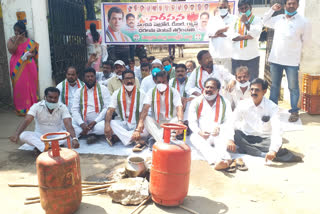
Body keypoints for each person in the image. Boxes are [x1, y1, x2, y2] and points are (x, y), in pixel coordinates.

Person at [263, 1, 311, 122]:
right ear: (285, 6)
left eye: (294, 4)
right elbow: (264, 21)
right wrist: (272, 9)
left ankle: (294, 111)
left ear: (297, 6)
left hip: (292, 62)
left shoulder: (304, 21)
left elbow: (306, 42)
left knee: (293, 87)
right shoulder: (278, 19)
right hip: (276, 59)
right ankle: (272, 110)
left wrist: (296, 53)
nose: (291, 6)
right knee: (274, 87)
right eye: (289, 3)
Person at [233, 78, 302, 162]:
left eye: (257, 90)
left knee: (277, 145)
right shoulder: (243, 104)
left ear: (264, 91)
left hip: (264, 139)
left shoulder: (272, 107)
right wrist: (229, 139)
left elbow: (277, 130)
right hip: (246, 136)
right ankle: (261, 154)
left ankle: (248, 150)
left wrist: (273, 150)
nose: (253, 92)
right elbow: (232, 121)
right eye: (252, 89)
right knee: (235, 134)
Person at [9, 87, 79, 155]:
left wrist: (75, 138)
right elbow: (27, 120)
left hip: (56, 135)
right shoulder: (36, 106)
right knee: (23, 135)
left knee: (66, 134)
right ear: (45, 97)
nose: (53, 100)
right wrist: (16, 134)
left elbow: (68, 124)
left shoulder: (62, 107)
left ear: (58, 98)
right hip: (40, 137)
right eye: (50, 97)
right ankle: (49, 147)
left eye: (55, 98)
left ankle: (42, 147)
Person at [189, 78, 235, 171]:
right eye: (207, 87)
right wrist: (200, 132)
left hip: (218, 133)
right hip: (202, 134)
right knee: (194, 137)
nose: (209, 90)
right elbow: (192, 122)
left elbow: (229, 121)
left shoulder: (225, 102)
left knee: (221, 143)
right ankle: (220, 160)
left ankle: (223, 160)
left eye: (212, 88)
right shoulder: (196, 102)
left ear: (218, 90)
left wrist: (221, 129)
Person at [134, 71, 184, 145]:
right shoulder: (151, 92)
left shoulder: (174, 92)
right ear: (155, 81)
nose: (161, 84)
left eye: (163, 82)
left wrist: (180, 121)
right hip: (156, 122)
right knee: (145, 119)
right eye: (159, 82)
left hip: (170, 122)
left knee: (177, 119)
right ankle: (163, 140)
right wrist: (140, 124)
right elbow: (145, 109)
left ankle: (155, 139)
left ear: (168, 81)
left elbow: (179, 108)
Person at [105, 70, 148, 151]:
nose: (129, 81)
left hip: (137, 124)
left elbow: (142, 114)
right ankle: (137, 140)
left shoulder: (141, 93)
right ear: (122, 81)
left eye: (131, 78)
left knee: (147, 125)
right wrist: (107, 125)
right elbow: (110, 110)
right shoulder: (117, 93)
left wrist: (137, 129)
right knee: (111, 123)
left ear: (134, 80)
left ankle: (119, 137)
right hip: (124, 123)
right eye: (127, 78)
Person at [71, 67, 111, 144]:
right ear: (83, 78)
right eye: (87, 77)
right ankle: (92, 134)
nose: (90, 78)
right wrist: (81, 123)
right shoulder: (79, 91)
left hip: (98, 122)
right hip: (83, 123)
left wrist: (95, 121)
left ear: (95, 77)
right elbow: (74, 110)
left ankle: (86, 133)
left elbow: (107, 108)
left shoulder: (103, 89)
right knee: (69, 123)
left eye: (92, 76)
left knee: (105, 126)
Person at [7, 21, 39, 116]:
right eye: (15, 31)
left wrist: (30, 55)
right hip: (16, 66)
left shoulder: (30, 41)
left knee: (30, 86)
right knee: (19, 86)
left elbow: (34, 52)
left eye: (19, 31)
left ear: (23, 31)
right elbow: (11, 50)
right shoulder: (11, 40)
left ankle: (32, 108)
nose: (17, 33)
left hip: (29, 65)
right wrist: (17, 40)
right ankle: (21, 109)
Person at [231, 0, 262, 80]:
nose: (244, 10)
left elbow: (255, 34)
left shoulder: (257, 19)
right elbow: (231, 36)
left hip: (252, 57)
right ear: (238, 10)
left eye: (246, 8)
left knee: (253, 82)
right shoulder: (234, 20)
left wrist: (246, 22)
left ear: (250, 8)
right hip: (237, 57)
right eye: (242, 9)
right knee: (237, 82)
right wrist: (247, 36)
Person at [207, 0, 236, 73]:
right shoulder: (213, 19)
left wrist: (216, 33)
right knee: (215, 80)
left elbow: (233, 34)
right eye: (220, 7)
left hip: (228, 55)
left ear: (228, 7)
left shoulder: (234, 19)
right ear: (217, 7)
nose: (222, 9)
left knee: (228, 80)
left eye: (224, 7)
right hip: (214, 55)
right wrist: (223, 30)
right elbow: (209, 34)